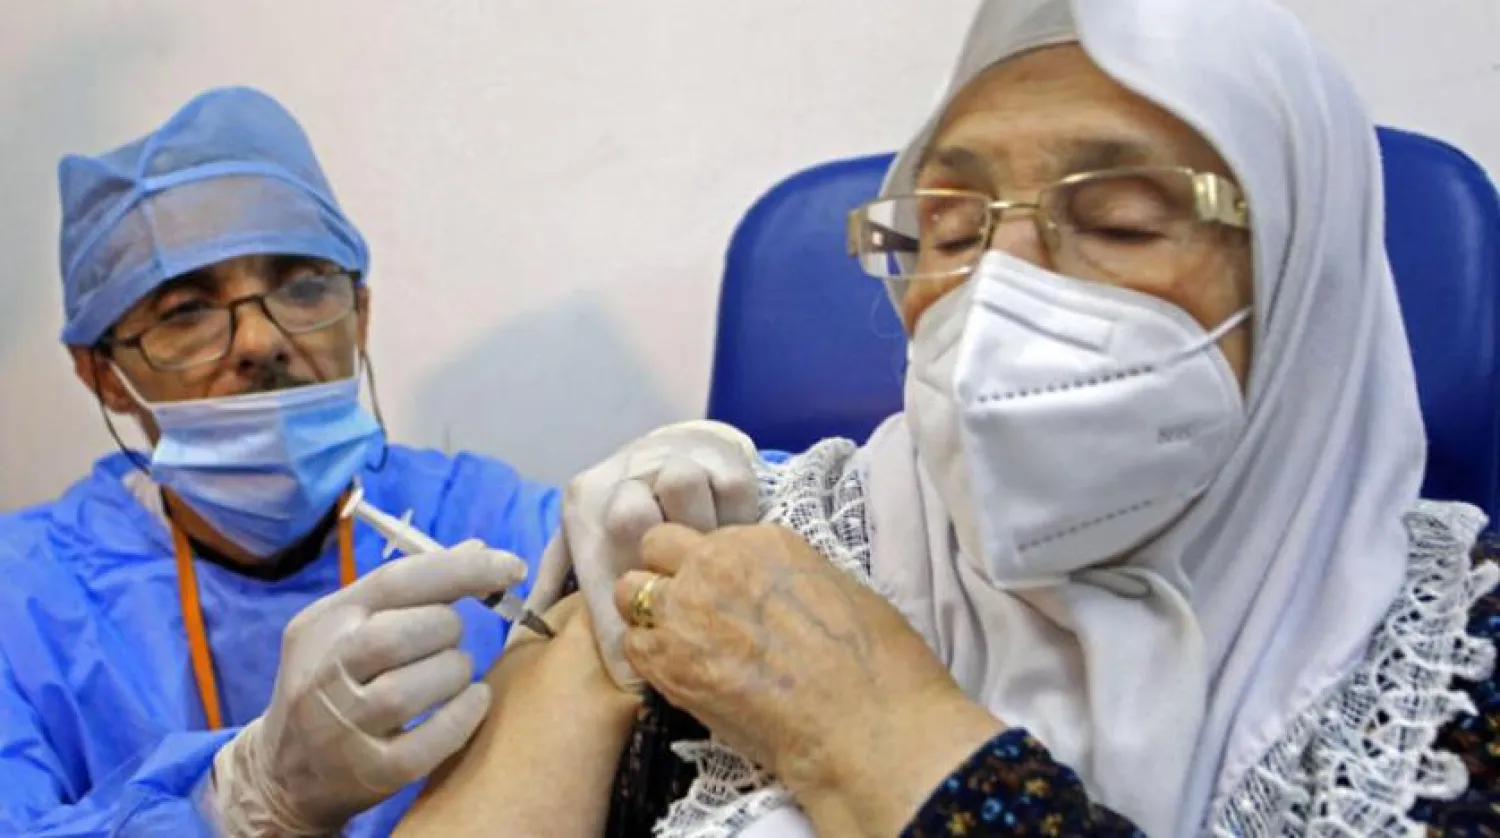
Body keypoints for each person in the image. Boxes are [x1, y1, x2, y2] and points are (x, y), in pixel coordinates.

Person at [392, 0, 1500, 835]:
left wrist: (869, 728)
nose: (996, 292)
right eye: (953, 228)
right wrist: (592, 656)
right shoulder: (759, 541)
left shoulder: (1442, 673)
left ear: (1312, 284)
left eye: (1116, 220)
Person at [0, 86, 572, 837]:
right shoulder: (29, 601)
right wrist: (235, 805)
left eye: (303, 286)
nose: (259, 340)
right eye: (185, 311)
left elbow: (684, 562)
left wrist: (701, 471)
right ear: (103, 373)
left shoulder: (472, 516)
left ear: (360, 314)